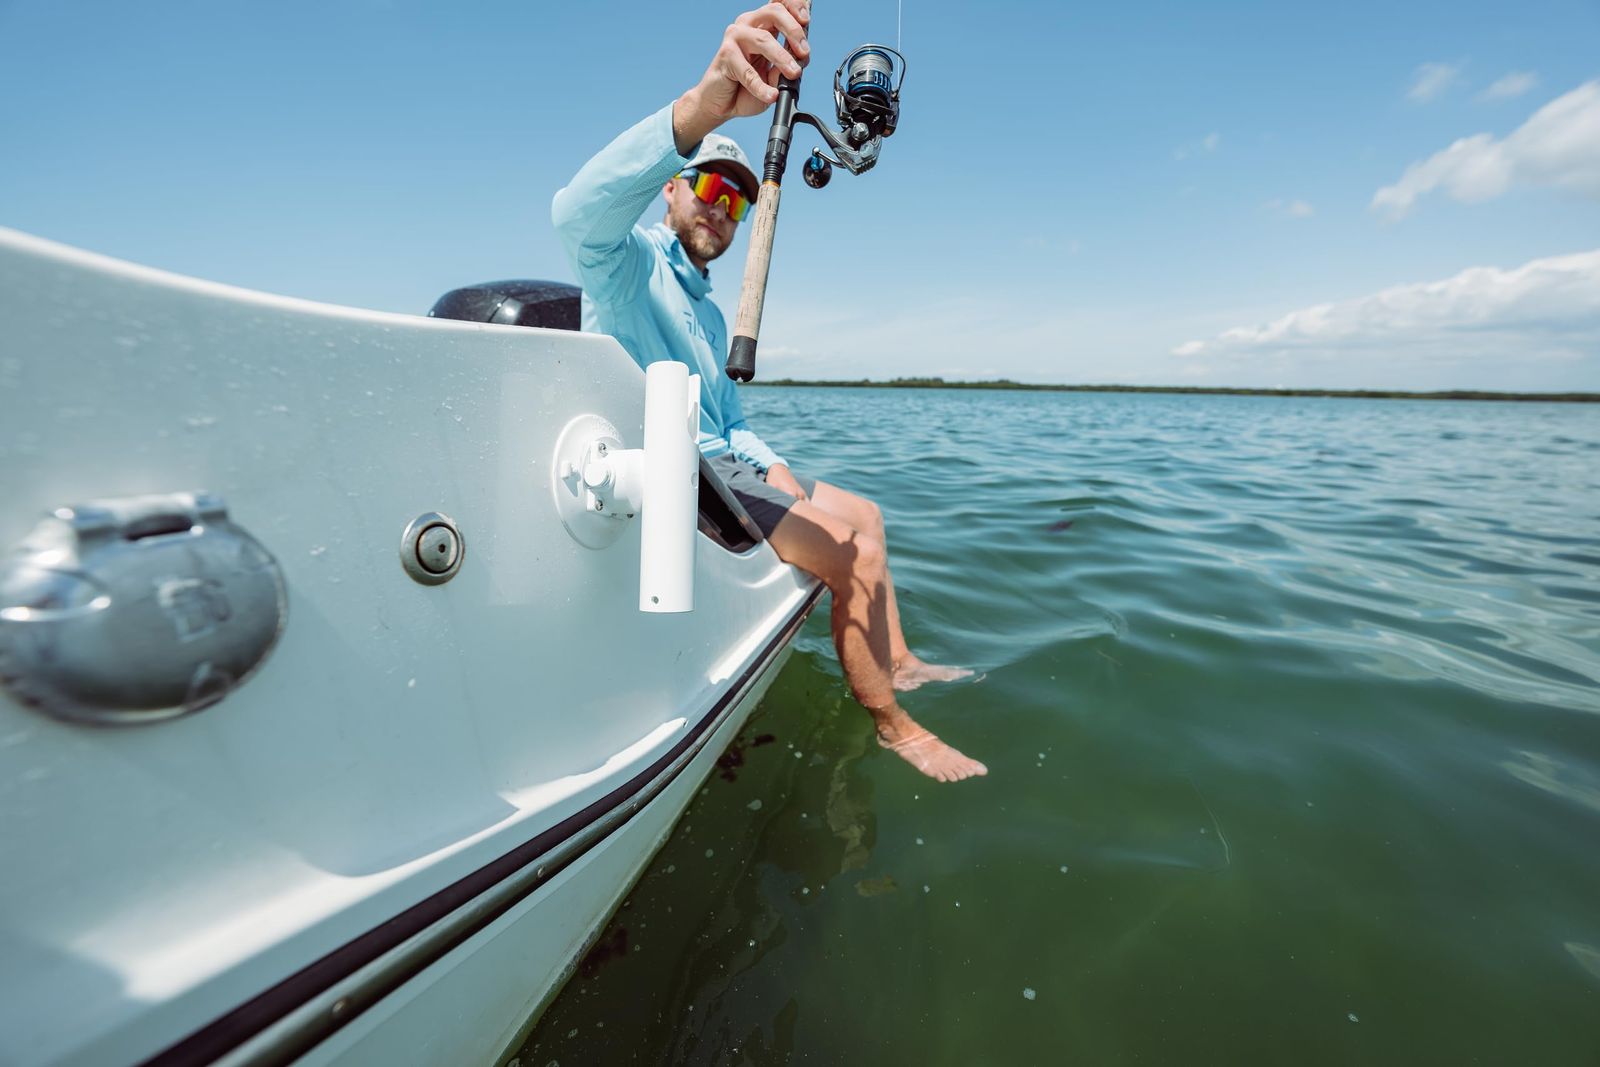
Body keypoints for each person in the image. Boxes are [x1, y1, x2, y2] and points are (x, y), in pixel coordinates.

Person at [551, 0, 985, 783]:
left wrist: (777, 468)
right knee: (844, 554)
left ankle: (903, 659)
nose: (724, 208)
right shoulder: (624, 265)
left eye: (739, 199)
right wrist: (704, 102)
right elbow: (575, 213)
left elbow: (731, 419)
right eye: (711, 188)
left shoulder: (712, 315)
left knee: (868, 515)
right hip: (679, 478)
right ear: (671, 192)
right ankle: (891, 723)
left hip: (730, 468)